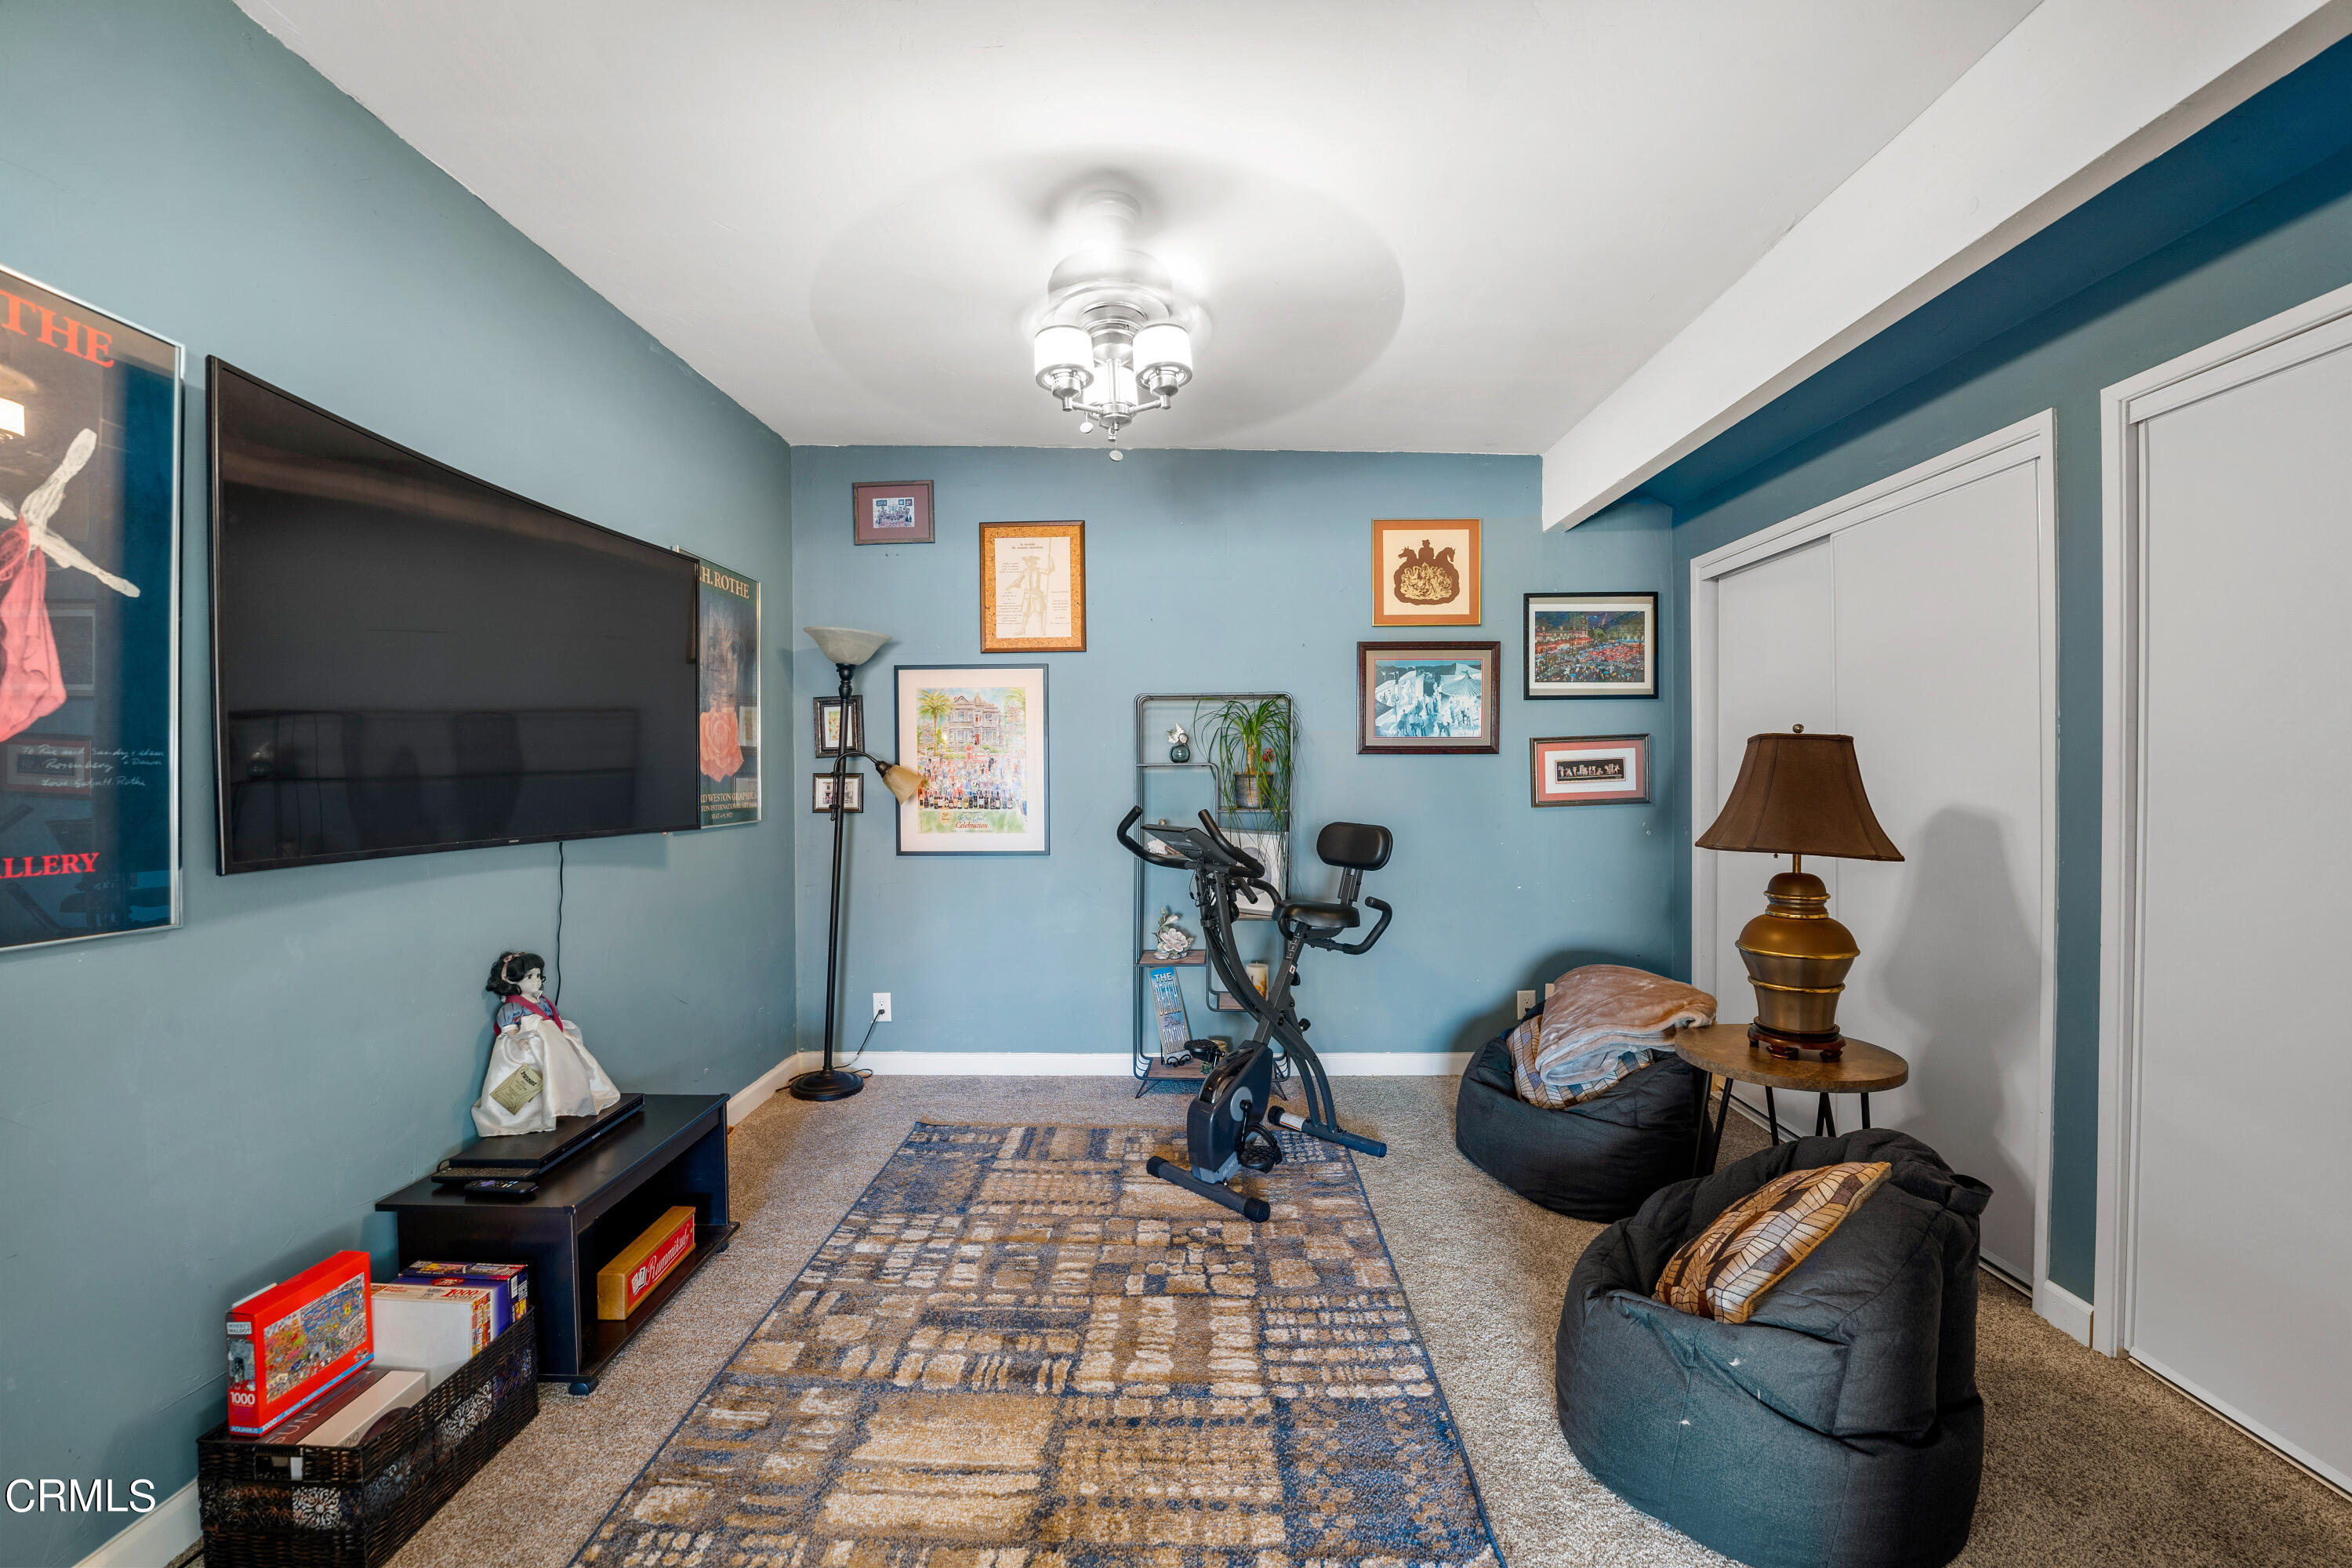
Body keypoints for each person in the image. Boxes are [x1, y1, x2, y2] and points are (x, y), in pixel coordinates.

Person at [473, 950, 621, 1136]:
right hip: (530, 1045)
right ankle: (533, 1115)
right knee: (533, 1077)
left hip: (552, 1043)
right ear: (512, 980)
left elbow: (553, 1016)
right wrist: (517, 1039)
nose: (536, 980)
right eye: (530, 976)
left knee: (560, 1072)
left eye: (538, 975)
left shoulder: (542, 1001)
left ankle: (563, 1104)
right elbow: (508, 1028)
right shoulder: (512, 1006)